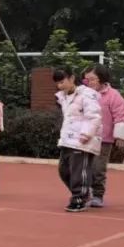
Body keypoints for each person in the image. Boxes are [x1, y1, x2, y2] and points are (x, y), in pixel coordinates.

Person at [54, 66, 102, 213]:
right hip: (67, 139)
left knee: (78, 170)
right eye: (57, 83)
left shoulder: (87, 95)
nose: (60, 86)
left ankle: (79, 197)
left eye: (62, 81)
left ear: (72, 78)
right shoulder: (62, 97)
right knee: (63, 170)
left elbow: (94, 116)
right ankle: (83, 192)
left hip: (83, 140)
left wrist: (86, 134)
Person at [83, 64, 124, 208]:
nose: (89, 82)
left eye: (92, 79)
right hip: (84, 137)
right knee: (82, 167)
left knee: (98, 168)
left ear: (102, 79)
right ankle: (83, 193)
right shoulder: (82, 94)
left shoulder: (113, 95)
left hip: (103, 139)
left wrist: (120, 136)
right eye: (86, 80)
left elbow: (121, 114)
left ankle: (98, 194)